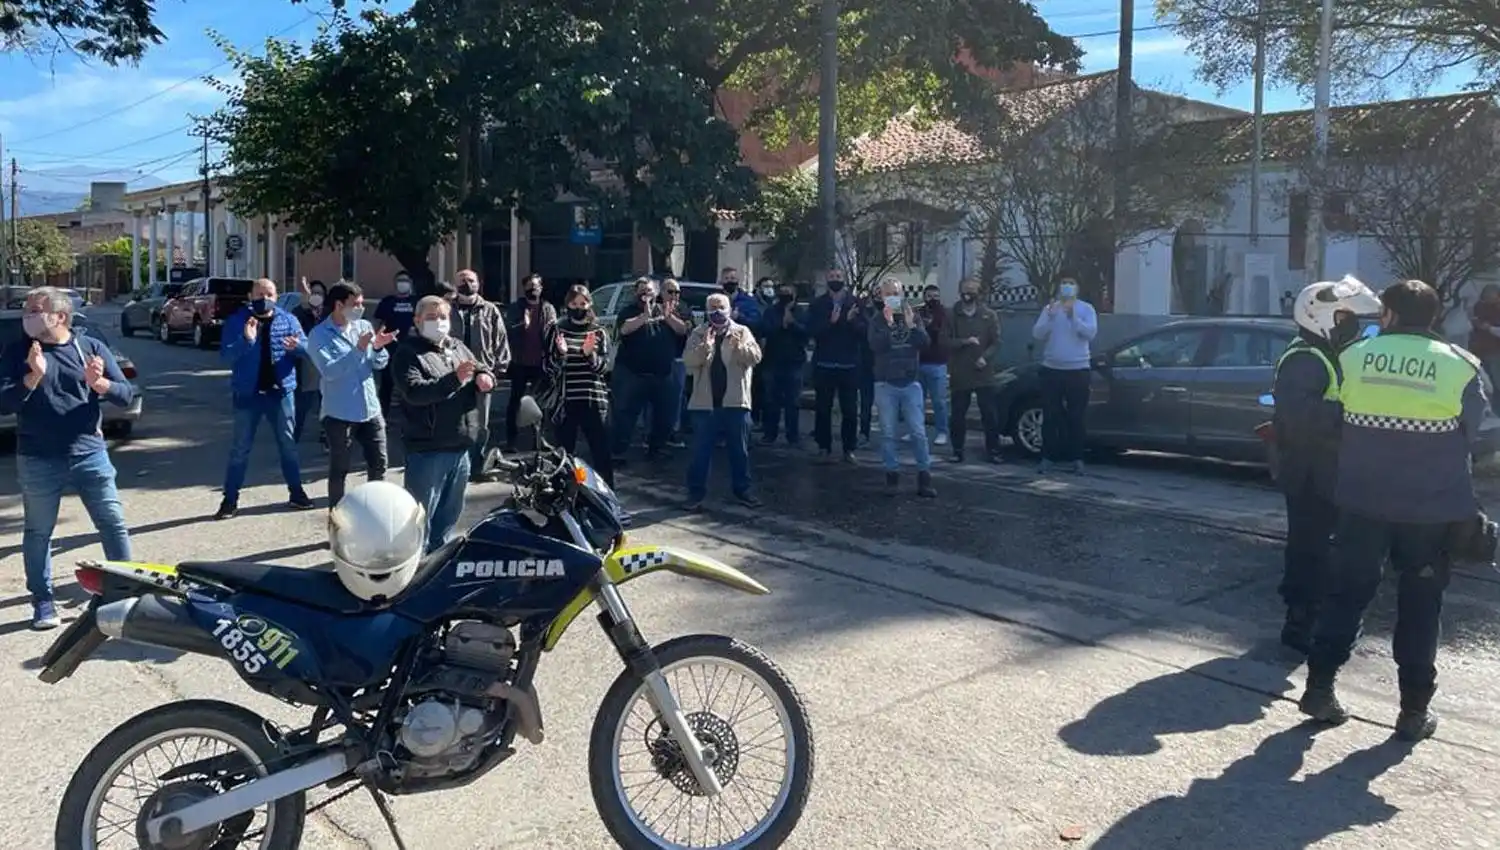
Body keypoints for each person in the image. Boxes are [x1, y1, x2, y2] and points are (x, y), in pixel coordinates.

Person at [1298, 279, 1489, 742]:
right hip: (1430, 510)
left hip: (1363, 502)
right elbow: (1475, 434)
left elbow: (1333, 420)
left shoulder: (1350, 359)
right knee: (1422, 605)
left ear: (1387, 315)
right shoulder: (1462, 366)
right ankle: (1412, 713)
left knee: (1347, 595)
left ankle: (1320, 689)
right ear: (1434, 317)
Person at [0, 287, 134, 629]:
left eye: (36, 308)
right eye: (28, 309)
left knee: (112, 523)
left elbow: (127, 393)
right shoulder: (18, 352)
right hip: (38, 457)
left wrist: (100, 383)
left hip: (89, 453)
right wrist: (33, 377)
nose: (28, 314)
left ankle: (124, 593)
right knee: (38, 532)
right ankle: (43, 602)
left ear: (60, 316)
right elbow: (4, 403)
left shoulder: (89, 347)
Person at [1272, 276, 1382, 654]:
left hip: (1327, 468)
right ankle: (1300, 620)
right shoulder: (1306, 357)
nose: (1352, 325)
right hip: (1309, 470)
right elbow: (1301, 415)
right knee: (1309, 547)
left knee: (1326, 547)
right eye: (1345, 317)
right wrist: (1355, 414)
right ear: (1321, 316)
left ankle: (1315, 614)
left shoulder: (1327, 353)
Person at [391, 296, 497, 552]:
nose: (438, 322)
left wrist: (485, 376)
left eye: (442, 317)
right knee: (419, 519)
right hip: (428, 448)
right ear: (417, 320)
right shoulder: (408, 353)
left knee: (449, 515)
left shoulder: (457, 346)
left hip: (461, 445)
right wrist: (454, 379)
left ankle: (437, 559)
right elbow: (415, 392)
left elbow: (480, 366)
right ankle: (415, 565)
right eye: (430, 317)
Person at [216, 278, 313, 519]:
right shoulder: (238, 320)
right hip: (247, 395)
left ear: (276, 296)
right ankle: (230, 500)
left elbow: (308, 348)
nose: (264, 298)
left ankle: (297, 493)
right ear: (250, 296)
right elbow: (226, 355)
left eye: (269, 293)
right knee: (240, 449)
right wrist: (246, 340)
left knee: (288, 445)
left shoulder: (288, 320)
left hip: (280, 394)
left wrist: (297, 347)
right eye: (259, 294)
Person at [308, 281, 396, 509]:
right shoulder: (319, 334)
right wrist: (358, 350)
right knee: (340, 468)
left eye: (361, 304)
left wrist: (378, 348)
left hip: (370, 408)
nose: (360, 309)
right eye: (355, 304)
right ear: (339, 305)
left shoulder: (363, 325)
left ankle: (375, 513)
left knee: (379, 463)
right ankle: (337, 519)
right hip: (339, 412)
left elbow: (378, 363)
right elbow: (329, 371)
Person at [683, 293, 764, 510]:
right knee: (701, 452)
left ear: (730, 309)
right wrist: (705, 347)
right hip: (705, 404)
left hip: (735, 403)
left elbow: (756, 358)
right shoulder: (699, 333)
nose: (717, 312)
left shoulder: (742, 331)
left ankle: (743, 491)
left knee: (739, 451)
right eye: (713, 308)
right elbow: (688, 363)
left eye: (721, 307)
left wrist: (740, 347)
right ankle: (695, 494)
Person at [869, 278, 937, 497]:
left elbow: (925, 343)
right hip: (885, 383)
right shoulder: (877, 319)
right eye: (887, 293)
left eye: (895, 292)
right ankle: (892, 475)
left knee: (918, 432)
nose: (892, 296)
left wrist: (910, 326)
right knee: (888, 433)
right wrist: (889, 326)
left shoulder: (912, 315)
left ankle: (924, 476)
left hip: (910, 382)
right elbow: (875, 346)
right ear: (881, 295)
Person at [543, 285, 614, 485]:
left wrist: (589, 354)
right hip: (566, 400)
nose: (578, 307)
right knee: (564, 453)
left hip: (593, 398)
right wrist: (563, 354)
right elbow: (548, 367)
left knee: (601, 451)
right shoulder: (557, 329)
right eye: (574, 304)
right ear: (567, 305)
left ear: (590, 305)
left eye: (583, 303)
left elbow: (604, 368)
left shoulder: (599, 331)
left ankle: (607, 496)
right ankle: (561, 494)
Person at [611, 276, 686, 464]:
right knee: (625, 415)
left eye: (649, 290)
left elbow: (682, 330)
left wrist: (668, 317)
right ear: (636, 293)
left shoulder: (666, 311)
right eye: (642, 290)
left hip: (662, 375)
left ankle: (656, 449)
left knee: (665, 417)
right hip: (632, 374)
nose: (646, 294)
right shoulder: (628, 311)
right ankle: (617, 452)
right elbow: (625, 330)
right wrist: (644, 316)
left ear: (656, 293)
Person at [1031, 276, 1098, 474]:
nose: (1067, 288)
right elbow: (1037, 334)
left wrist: (1073, 318)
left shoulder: (1086, 309)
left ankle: (1077, 458)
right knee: (1050, 415)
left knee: (1076, 416)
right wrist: (1051, 318)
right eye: (1064, 285)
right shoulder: (1050, 309)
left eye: (1071, 285)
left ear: (1077, 289)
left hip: (1078, 369)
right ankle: (1048, 457)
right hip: (1052, 369)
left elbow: (1090, 333)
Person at [452, 268, 511, 479]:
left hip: (482, 374)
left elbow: (501, 340)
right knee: (455, 423)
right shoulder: (447, 309)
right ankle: (457, 468)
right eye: (462, 280)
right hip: (452, 373)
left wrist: (497, 371)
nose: (466, 284)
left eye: (470, 280)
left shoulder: (490, 310)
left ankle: (476, 467)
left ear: (479, 283)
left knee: (480, 425)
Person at [807, 268, 865, 463]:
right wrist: (832, 322)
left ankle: (849, 449)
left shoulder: (855, 303)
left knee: (849, 410)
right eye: (832, 277)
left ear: (844, 279)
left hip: (849, 364)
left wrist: (850, 322)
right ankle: (824, 446)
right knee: (823, 408)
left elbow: (863, 331)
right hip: (825, 363)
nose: (835, 280)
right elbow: (813, 330)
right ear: (826, 279)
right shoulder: (818, 304)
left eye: (838, 277)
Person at [947, 278, 1004, 464]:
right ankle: (957, 450)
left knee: (989, 414)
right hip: (960, 372)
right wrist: (964, 341)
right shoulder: (951, 315)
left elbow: (996, 342)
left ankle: (993, 451)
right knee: (957, 414)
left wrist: (984, 358)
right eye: (965, 290)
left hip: (983, 373)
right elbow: (944, 341)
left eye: (972, 290)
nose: (968, 293)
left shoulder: (989, 315)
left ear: (978, 293)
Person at [503, 273, 554, 452]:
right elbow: (507, 330)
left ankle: (540, 440)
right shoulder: (516, 308)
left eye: (536, 286)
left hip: (541, 362)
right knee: (516, 401)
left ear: (542, 288)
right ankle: (511, 441)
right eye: (530, 286)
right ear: (524, 288)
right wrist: (521, 325)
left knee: (540, 403)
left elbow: (553, 331)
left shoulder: (547, 308)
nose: (533, 289)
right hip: (520, 362)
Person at [758, 279, 809, 446]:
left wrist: (792, 323)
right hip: (773, 361)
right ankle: (769, 434)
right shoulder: (771, 311)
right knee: (771, 400)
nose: (786, 296)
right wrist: (782, 325)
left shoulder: (801, 311)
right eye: (783, 292)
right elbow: (765, 329)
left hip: (794, 362)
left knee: (793, 402)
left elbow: (806, 333)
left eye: (789, 292)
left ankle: (792, 437)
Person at [373, 270, 418, 413]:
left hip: (411, 349)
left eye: (405, 280)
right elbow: (378, 322)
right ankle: (383, 415)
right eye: (399, 280)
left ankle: (408, 418)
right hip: (389, 348)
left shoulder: (416, 302)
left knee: (409, 382)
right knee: (386, 384)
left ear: (410, 283)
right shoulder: (387, 302)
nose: (402, 283)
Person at [291, 278, 327, 448]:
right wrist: (305, 306)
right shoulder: (300, 312)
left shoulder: (327, 314)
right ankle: (293, 436)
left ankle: (326, 435)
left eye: (320, 293)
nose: (317, 296)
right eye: (314, 293)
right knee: (302, 405)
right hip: (305, 367)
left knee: (326, 403)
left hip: (325, 366)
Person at [661, 278, 695, 447]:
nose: (674, 295)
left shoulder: (684, 308)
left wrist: (668, 317)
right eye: (670, 292)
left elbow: (684, 329)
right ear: (661, 292)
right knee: (654, 399)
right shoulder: (652, 307)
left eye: (677, 292)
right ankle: (650, 434)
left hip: (677, 358)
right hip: (655, 359)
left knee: (675, 399)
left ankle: (672, 433)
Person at [917, 283, 951, 447]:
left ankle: (942, 431)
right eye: (930, 296)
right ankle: (916, 430)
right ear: (924, 297)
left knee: (939, 401)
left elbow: (944, 334)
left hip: (938, 362)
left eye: (936, 296)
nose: (933, 299)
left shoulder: (944, 314)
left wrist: (931, 326)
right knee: (917, 401)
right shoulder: (918, 313)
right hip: (919, 361)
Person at [749, 275, 779, 425]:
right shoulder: (753, 304)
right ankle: (754, 418)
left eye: (771, 286)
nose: (769, 289)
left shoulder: (775, 304)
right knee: (754, 387)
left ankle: (765, 421)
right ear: (759, 288)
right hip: (755, 349)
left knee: (767, 390)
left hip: (771, 352)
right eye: (766, 286)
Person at [1468, 283, 1500, 411]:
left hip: (1495, 352)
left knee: (1496, 383)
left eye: (1491, 297)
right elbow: (1474, 324)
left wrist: (1489, 328)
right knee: (1482, 383)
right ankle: (1488, 410)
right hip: (1479, 351)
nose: (1487, 300)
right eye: (1486, 297)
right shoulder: (1479, 307)